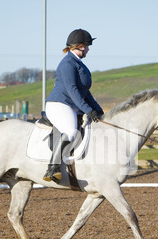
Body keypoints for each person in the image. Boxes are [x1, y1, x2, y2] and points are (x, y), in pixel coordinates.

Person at [43, 28, 104, 183]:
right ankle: (52, 168)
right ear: (80, 46)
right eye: (87, 46)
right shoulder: (67, 64)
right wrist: (88, 110)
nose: (89, 49)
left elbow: (85, 92)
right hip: (60, 104)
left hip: (71, 104)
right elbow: (72, 90)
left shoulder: (78, 63)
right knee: (70, 132)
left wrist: (97, 109)